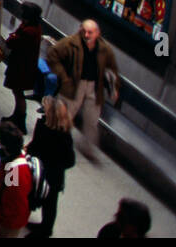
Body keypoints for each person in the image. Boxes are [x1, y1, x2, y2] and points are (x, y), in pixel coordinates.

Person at [46, 19, 122, 161]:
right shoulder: (70, 43)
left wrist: (114, 88)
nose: (87, 35)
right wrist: (63, 76)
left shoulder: (104, 49)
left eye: (90, 32)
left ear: (97, 33)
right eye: (84, 31)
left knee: (92, 120)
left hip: (94, 86)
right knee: (65, 115)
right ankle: (55, 141)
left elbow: (112, 69)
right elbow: (52, 55)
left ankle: (87, 147)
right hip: (74, 84)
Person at [25, 96, 75, 238]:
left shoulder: (50, 129)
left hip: (47, 173)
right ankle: (45, 227)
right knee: (49, 203)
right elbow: (70, 161)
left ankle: (44, 229)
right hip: (49, 173)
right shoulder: (59, 130)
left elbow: (35, 147)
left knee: (44, 201)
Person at [0, 120, 34, 238]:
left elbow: (12, 202)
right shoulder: (13, 156)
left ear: (3, 143)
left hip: (7, 221)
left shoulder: (14, 171)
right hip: (0, 213)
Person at [3, 3, 43, 132]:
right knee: (17, 92)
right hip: (24, 65)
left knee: (18, 92)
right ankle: (17, 116)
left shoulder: (29, 31)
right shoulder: (33, 27)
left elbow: (12, 42)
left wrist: (13, 37)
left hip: (21, 66)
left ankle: (20, 120)